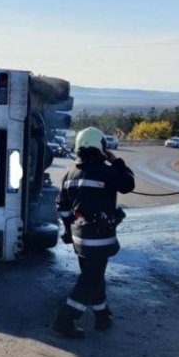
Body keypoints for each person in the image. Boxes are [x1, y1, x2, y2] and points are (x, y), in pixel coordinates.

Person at [52, 127, 135, 337]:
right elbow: (128, 184)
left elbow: (61, 205)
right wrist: (117, 161)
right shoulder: (108, 172)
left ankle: (102, 316)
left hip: (79, 238)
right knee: (90, 279)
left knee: (93, 276)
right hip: (99, 239)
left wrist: (69, 227)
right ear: (102, 148)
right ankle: (65, 320)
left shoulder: (70, 173)